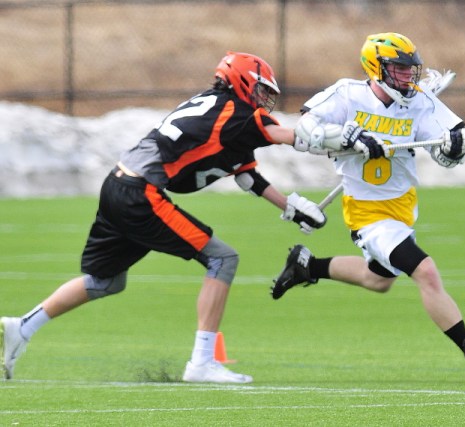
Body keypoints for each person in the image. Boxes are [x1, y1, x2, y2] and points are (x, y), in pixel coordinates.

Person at [0, 51, 327, 383]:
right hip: (141, 193)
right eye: (260, 89)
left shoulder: (217, 109)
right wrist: (352, 139)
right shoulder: (236, 114)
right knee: (223, 259)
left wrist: (288, 206)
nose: (264, 98)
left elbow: (246, 175)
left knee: (106, 281)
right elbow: (297, 136)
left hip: (117, 184)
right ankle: (201, 363)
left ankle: (22, 327)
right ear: (241, 81)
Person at [272, 33, 465, 377]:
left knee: (379, 279)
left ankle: (308, 266)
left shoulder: (419, 101)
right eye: (398, 69)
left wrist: (457, 144)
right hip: (366, 210)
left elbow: (445, 147)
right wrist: (348, 136)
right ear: (375, 67)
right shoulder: (348, 94)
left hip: (402, 206)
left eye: (410, 69)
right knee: (424, 270)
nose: (408, 77)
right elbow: (306, 126)